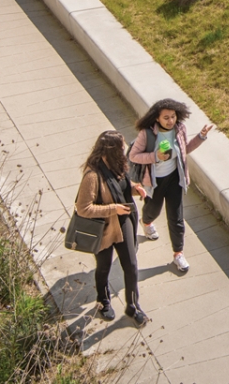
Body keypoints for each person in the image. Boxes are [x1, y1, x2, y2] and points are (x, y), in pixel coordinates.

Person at [128, 98, 212, 274]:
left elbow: (184, 150)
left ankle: (178, 254)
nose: (170, 120)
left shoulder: (179, 129)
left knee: (176, 218)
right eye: (166, 117)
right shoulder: (147, 134)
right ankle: (146, 221)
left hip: (175, 179)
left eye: (173, 116)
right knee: (153, 210)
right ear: (157, 118)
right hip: (155, 181)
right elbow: (134, 156)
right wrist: (155, 156)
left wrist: (200, 137)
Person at [75, 130, 149, 325]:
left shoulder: (118, 165)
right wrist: (113, 208)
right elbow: (83, 208)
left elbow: (122, 186)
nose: (124, 150)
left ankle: (133, 306)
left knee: (131, 266)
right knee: (104, 266)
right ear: (110, 150)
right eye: (121, 147)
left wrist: (136, 188)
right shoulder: (92, 175)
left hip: (124, 222)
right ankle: (103, 300)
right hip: (104, 228)